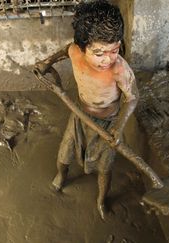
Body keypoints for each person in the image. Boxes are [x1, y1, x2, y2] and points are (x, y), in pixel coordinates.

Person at [34, 0, 138, 220]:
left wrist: (118, 128)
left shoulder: (119, 69)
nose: (107, 59)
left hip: (108, 123)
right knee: (65, 152)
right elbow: (64, 51)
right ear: (82, 48)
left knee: (105, 167)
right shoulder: (74, 52)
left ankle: (101, 200)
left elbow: (132, 98)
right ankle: (61, 176)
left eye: (114, 49)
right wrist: (47, 62)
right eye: (99, 52)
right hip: (80, 116)